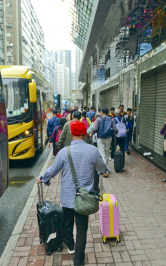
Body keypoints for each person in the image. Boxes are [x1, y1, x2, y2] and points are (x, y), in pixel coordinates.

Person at [37, 121, 107, 266]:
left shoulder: (64, 152)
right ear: (85, 134)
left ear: (72, 133)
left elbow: (53, 170)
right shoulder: (93, 151)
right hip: (84, 199)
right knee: (82, 230)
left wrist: (42, 178)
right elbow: (102, 168)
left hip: (68, 197)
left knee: (67, 223)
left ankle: (70, 246)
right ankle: (78, 261)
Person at [92, 107, 118, 178]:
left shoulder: (99, 119)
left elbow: (95, 129)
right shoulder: (112, 119)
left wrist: (92, 133)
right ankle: (105, 167)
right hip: (109, 138)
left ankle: (104, 170)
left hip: (100, 138)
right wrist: (116, 132)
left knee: (102, 153)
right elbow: (115, 129)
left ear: (102, 112)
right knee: (107, 153)